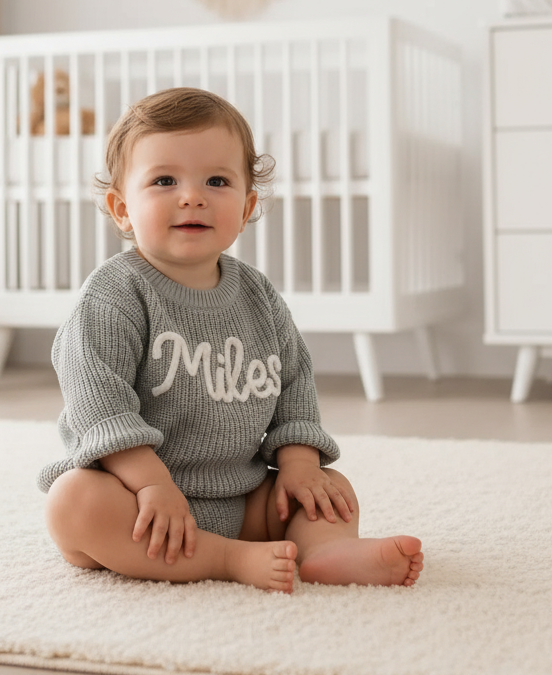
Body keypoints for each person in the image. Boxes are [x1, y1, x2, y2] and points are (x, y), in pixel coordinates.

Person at [39, 87, 424, 593]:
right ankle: (226, 560)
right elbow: (98, 403)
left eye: (216, 181)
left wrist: (299, 463)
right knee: (72, 502)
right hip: (137, 503)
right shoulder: (113, 295)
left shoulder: (257, 295)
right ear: (121, 208)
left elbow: (294, 382)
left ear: (245, 208)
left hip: (242, 499)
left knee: (330, 490)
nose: (192, 195)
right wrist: (152, 483)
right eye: (164, 180)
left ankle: (325, 552)